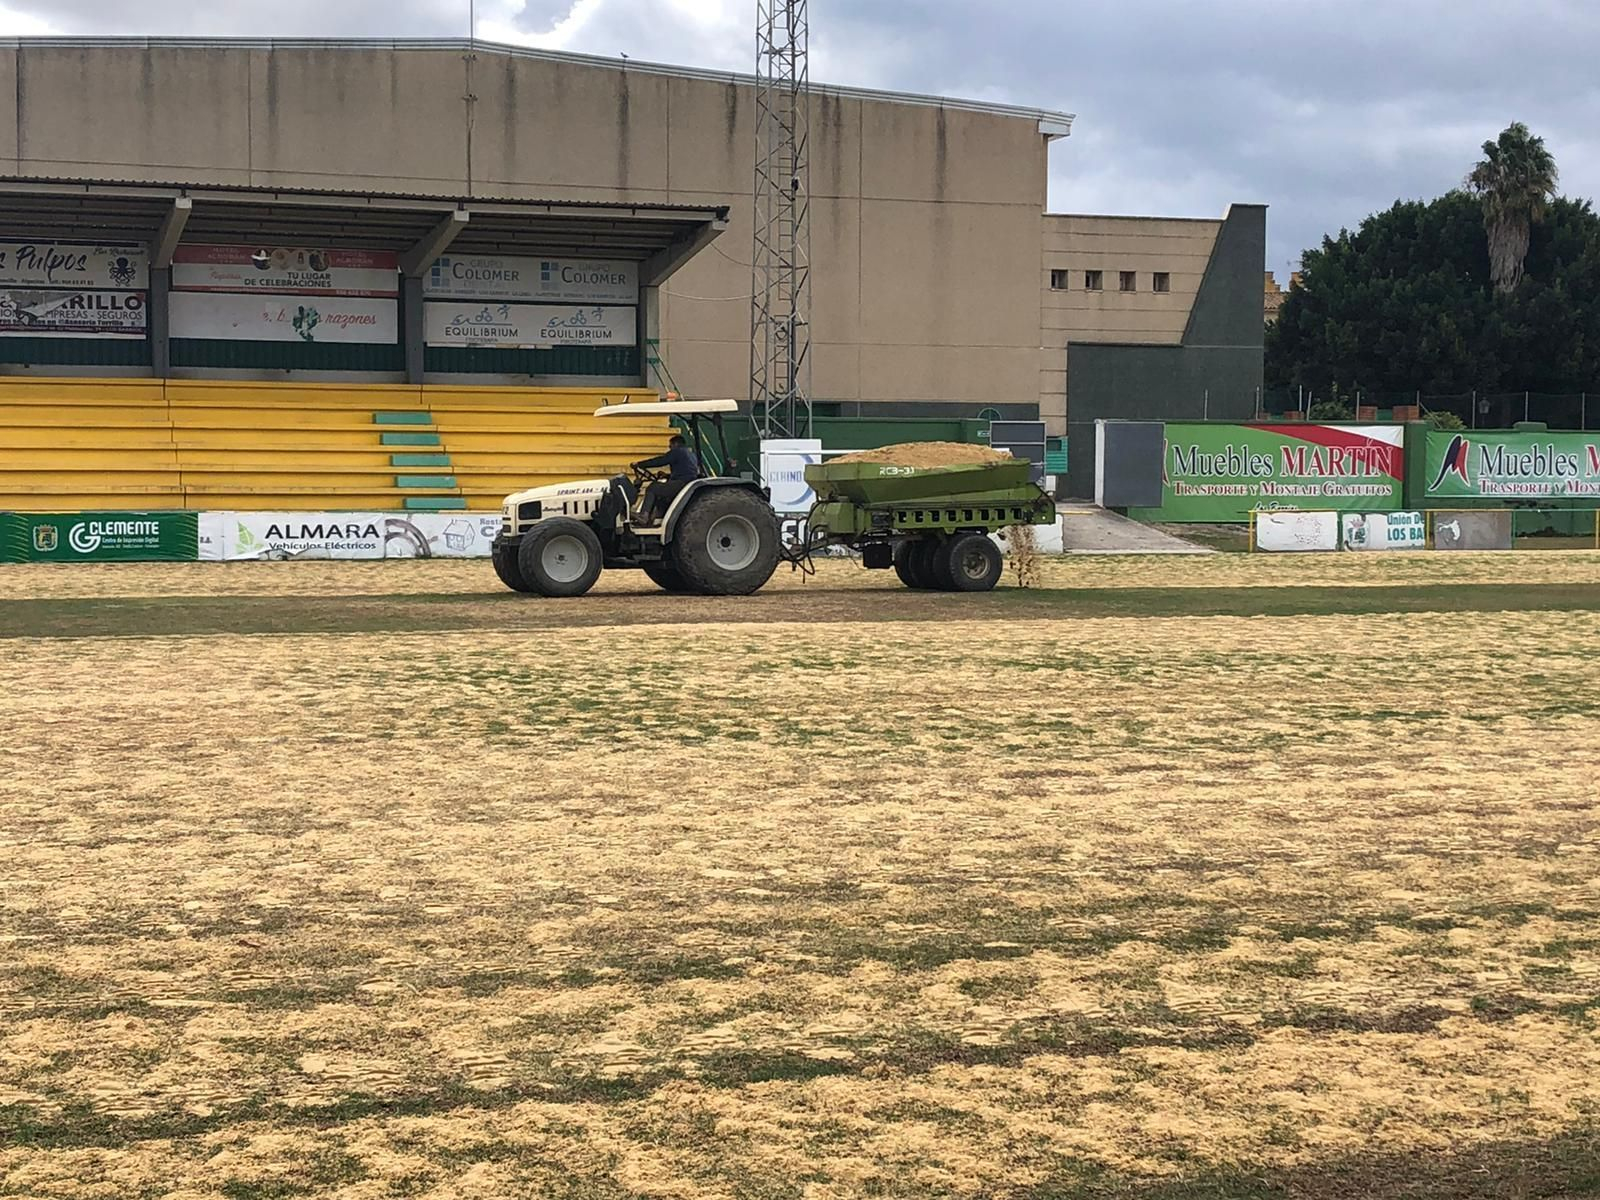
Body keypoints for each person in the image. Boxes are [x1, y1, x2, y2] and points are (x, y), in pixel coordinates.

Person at [633, 434, 701, 524]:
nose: (670, 448)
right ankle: (656, 517)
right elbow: (685, 471)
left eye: (670, 446)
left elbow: (660, 460)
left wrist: (640, 464)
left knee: (653, 488)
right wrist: (667, 476)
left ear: (676, 444)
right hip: (686, 482)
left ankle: (644, 515)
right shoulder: (690, 454)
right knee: (661, 490)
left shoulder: (678, 451)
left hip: (681, 484)